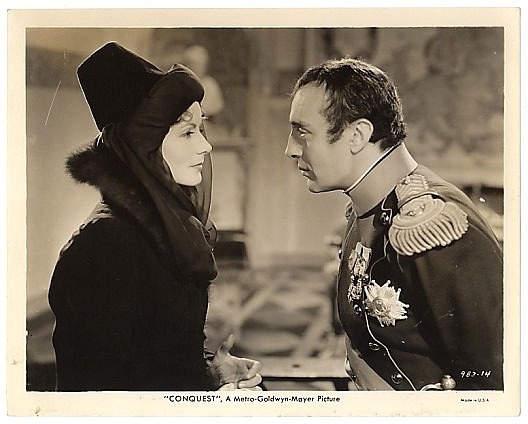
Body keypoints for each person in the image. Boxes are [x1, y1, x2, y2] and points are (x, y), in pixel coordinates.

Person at [48, 42, 262, 392]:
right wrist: (207, 404)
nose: (206, 145)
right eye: (188, 133)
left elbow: (154, 359)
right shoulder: (106, 245)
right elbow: (104, 398)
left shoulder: (164, 226)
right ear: (144, 148)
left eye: (201, 129)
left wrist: (212, 372)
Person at [285, 58, 503, 391]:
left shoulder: (430, 226)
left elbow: (494, 381)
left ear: (358, 135)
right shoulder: (366, 207)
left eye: (302, 132)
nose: (290, 149)